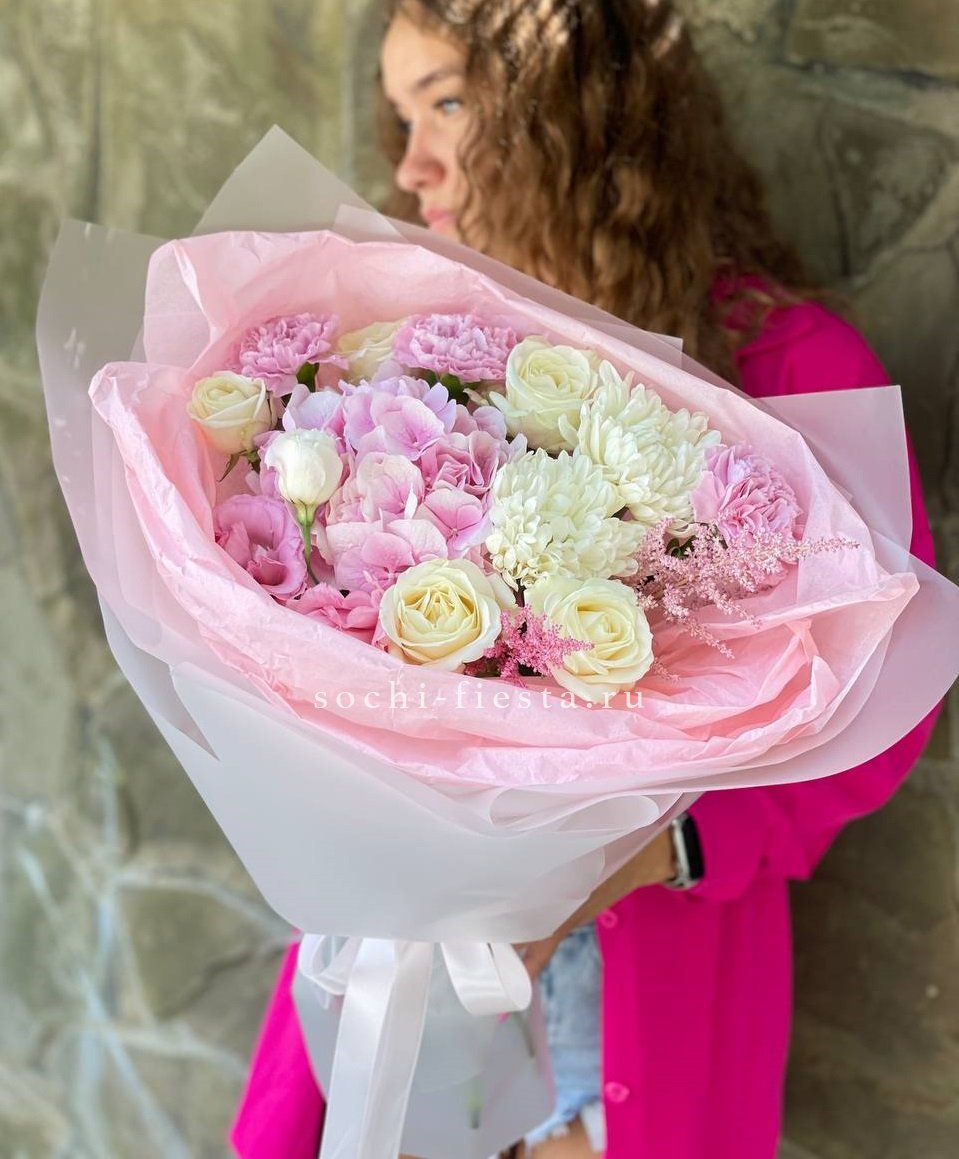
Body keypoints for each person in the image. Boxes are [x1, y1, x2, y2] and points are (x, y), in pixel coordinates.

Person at [230, 2, 940, 1157]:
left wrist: (621, 861)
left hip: (644, 989)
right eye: (404, 116)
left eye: (448, 103)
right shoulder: (412, 359)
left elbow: (877, 714)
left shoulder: (785, 367)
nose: (412, 167)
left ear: (574, 113)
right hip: (395, 977)